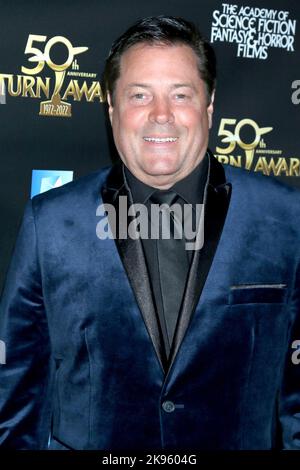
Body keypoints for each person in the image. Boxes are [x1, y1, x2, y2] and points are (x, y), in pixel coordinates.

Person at [0, 15, 300, 450]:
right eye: (139, 95)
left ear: (209, 105)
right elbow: (15, 399)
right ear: (111, 106)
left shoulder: (285, 218)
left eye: (181, 94)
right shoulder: (50, 223)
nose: (161, 115)